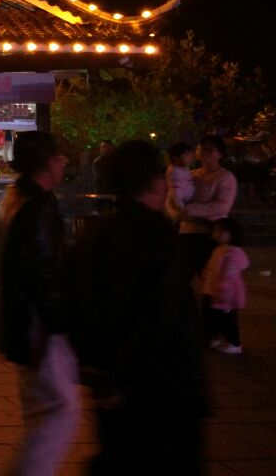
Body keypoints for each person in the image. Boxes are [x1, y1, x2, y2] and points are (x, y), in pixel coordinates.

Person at [73, 139, 207, 475]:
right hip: (164, 391)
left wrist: (101, 374)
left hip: (113, 389)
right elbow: (160, 319)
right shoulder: (161, 240)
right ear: (154, 182)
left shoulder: (96, 236)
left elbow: (78, 307)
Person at [0, 130, 80, 476]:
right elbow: (42, 277)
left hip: (20, 323)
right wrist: (58, 325)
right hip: (37, 327)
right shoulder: (37, 208)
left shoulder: (16, 197)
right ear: (47, 163)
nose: (62, 163)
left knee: (46, 410)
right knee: (61, 410)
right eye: (59, 158)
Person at [179, 134, 238, 282]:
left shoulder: (225, 177)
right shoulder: (191, 175)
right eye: (201, 149)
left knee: (209, 281)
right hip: (185, 232)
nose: (204, 152)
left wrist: (190, 210)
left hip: (209, 235)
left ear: (220, 154)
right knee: (181, 281)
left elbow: (221, 207)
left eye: (209, 149)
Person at [201, 217, 249, 355]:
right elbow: (211, 271)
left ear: (232, 233)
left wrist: (223, 296)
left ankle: (234, 342)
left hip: (226, 296)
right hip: (213, 291)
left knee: (228, 321)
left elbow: (228, 278)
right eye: (216, 230)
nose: (217, 233)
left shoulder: (232, 253)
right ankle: (215, 338)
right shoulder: (219, 250)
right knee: (213, 318)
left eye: (221, 230)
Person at [164, 141, 196, 224]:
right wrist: (180, 207)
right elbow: (175, 191)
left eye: (190, 155)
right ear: (175, 157)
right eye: (186, 156)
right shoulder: (174, 171)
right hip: (181, 203)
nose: (190, 158)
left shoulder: (182, 169)